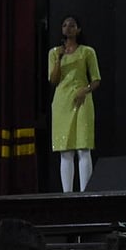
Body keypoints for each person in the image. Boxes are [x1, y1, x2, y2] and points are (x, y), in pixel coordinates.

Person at [48, 15, 101, 193]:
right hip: (62, 102)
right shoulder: (54, 52)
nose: (68, 28)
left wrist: (85, 90)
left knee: (83, 148)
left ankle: (85, 194)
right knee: (66, 150)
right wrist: (58, 59)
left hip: (83, 100)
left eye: (72, 25)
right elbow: (54, 80)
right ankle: (67, 195)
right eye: (64, 25)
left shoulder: (87, 52)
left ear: (78, 30)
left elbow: (96, 79)